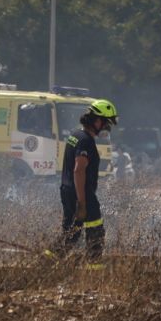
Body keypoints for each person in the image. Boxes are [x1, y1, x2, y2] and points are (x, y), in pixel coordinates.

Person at [59, 99, 118, 261]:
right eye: (107, 123)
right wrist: (83, 202)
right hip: (82, 194)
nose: (107, 128)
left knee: (70, 234)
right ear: (97, 120)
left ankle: (45, 264)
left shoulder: (75, 135)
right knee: (95, 234)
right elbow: (79, 170)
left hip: (67, 190)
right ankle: (94, 273)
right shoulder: (86, 141)